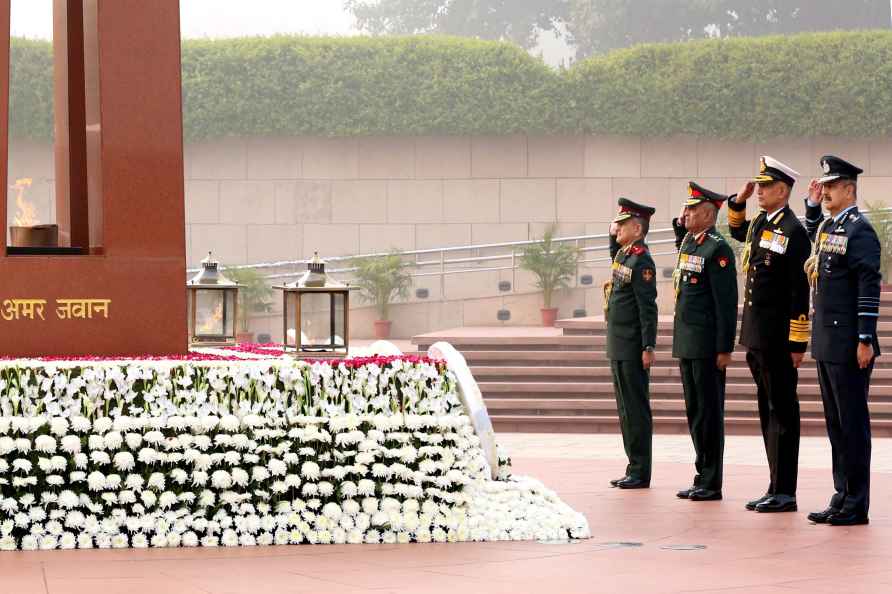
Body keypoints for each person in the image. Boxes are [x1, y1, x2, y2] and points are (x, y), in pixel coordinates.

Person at [726, 156, 810, 513]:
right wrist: (738, 203)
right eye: (757, 186)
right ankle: (774, 485)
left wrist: (797, 341)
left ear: (783, 190)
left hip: (777, 338)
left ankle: (786, 491)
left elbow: (798, 290)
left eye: (764, 187)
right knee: (767, 411)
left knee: (783, 412)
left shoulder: (793, 231)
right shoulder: (762, 220)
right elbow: (737, 232)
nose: (759, 191)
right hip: (757, 335)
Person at [803, 155, 880, 526]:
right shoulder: (833, 227)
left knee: (852, 423)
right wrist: (812, 206)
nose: (826, 190)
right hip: (827, 339)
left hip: (849, 341)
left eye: (831, 186)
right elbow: (813, 236)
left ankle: (857, 503)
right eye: (824, 185)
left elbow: (868, 286)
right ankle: (842, 493)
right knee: (835, 423)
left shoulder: (859, 230)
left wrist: (865, 337)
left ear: (849, 189)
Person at [671, 182, 738, 502]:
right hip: (687, 341)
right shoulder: (690, 243)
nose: (685, 214)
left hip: (708, 345)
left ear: (709, 215)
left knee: (709, 413)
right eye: (686, 209)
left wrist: (725, 347)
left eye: (692, 209)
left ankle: (712, 481)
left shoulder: (717, 248)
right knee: (695, 412)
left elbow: (725, 303)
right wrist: (681, 222)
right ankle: (701, 474)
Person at [605, 198, 658, 489]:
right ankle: (632, 465)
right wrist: (609, 232)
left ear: (637, 228)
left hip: (632, 345)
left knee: (636, 409)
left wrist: (648, 346)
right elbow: (613, 253)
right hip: (618, 344)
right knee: (625, 409)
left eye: (623, 224)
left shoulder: (642, 260)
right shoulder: (625, 255)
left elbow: (647, 307)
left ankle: (640, 470)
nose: (618, 228)